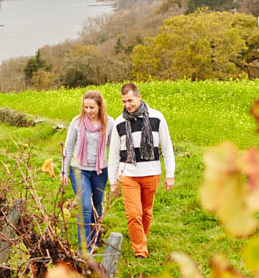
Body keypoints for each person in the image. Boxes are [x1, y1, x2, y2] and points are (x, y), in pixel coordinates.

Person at [108, 82, 174, 259]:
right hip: (128, 175)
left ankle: (141, 239)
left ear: (139, 97)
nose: (127, 105)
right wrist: (112, 180)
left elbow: (167, 147)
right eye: (123, 101)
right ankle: (140, 250)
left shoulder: (157, 117)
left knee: (146, 212)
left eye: (129, 100)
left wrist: (170, 175)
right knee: (133, 214)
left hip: (151, 172)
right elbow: (113, 153)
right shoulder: (119, 122)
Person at [61, 89, 117, 253]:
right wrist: (64, 171)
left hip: (100, 171)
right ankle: (84, 247)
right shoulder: (76, 122)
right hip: (79, 170)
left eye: (92, 108)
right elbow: (69, 146)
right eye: (85, 107)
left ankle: (96, 238)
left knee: (96, 206)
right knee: (85, 206)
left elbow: (113, 149)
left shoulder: (109, 123)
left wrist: (115, 174)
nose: (88, 111)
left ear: (100, 106)